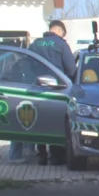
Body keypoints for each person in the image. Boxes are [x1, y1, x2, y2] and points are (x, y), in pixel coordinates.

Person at [29, 21, 76, 165]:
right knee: (56, 122)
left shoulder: (35, 44)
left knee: (39, 121)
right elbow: (71, 70)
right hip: (57, 91)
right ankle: (57, 157)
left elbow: (27, 64)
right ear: (59, 31)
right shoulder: (61, 45)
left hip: (37, 89)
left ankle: (41, 155)